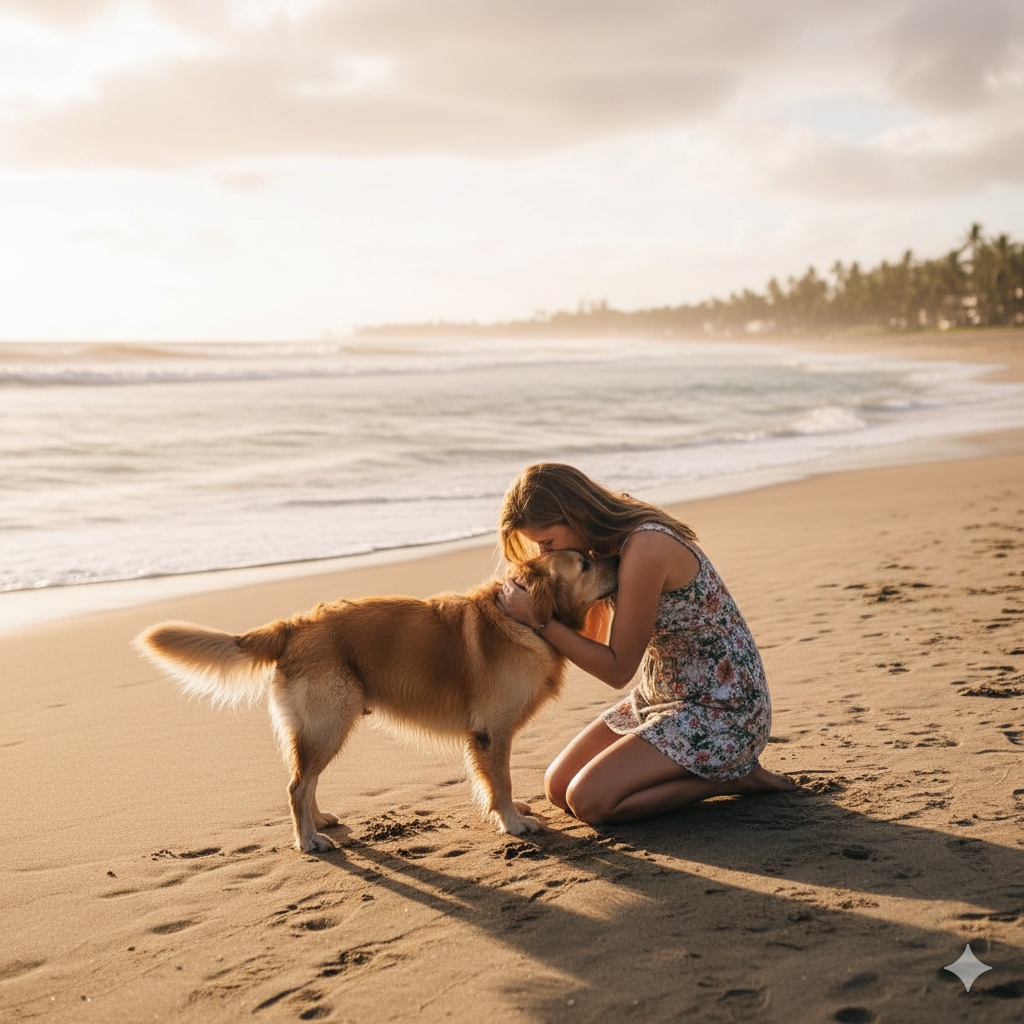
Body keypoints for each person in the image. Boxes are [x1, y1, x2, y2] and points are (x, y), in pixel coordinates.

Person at [496, 462, 794, 826]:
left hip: (723, 707)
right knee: (557, 787)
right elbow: (588, 638)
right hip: (664, 696)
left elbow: (618, 668)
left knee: (589, 801)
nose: (543, 553)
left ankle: (729, 779)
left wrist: (539, 621)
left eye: (547, 542)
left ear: (573, 515)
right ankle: (707, 771)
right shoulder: (600, 548)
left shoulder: (644, 547)